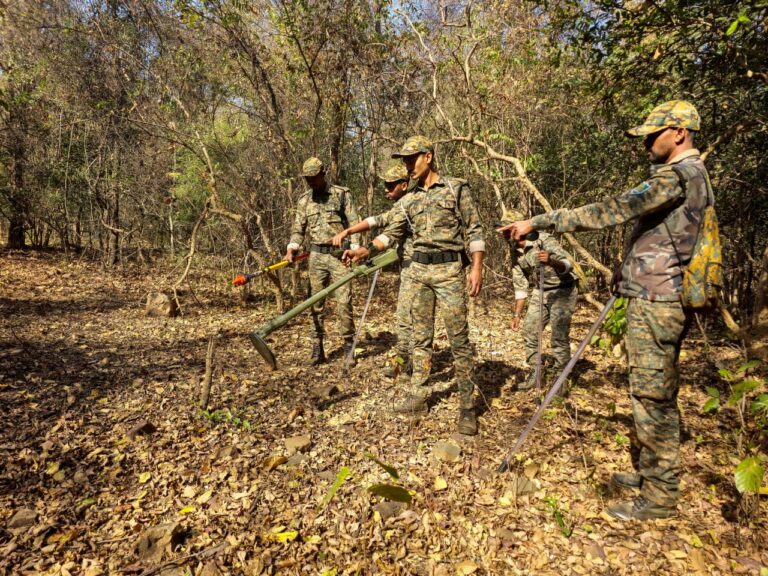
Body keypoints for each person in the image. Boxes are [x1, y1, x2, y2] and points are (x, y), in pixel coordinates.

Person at [501, 100, 709, 520]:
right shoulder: (689, 177)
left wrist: (539, 222)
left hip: (658, 301)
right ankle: (654, 473)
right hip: (652, 294)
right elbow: (660, 238)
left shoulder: (677, 176)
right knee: (654, 390)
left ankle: (660, 496)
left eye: (654, 134)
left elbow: (612, 210)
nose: (647, 143)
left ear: (680, 133)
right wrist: (626, 270)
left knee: (652, 395)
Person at [344, 136, 485, 436]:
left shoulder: (455, 188)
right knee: (420, 338)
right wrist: (365, 250)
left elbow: (474, 229)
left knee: (459, 340)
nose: (407, 165)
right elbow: (390, 234)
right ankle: (419, 396)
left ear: (429, 157)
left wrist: (476, 267)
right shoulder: (408, 200)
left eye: (411, 159)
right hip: (418, 271)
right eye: (405, 160)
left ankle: (466, 407)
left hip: (449, 271)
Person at [330, 162, 415, 378]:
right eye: (385, 185)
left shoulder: (411, 204)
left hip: (419, 269)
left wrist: (363, 251)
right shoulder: (399, 206)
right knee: (404, 319)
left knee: (411, 320)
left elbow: (388, 236)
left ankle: (411, 368)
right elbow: (377, 220)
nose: (386, 189)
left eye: (390, 185)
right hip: (409, 269)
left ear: (404, 185)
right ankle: (405, 365)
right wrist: (349, 230)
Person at [284, 157, 361, 366]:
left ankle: (348, 348)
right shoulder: (304, 200)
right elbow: (298, 230)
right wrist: (292, 248)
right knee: (314, 304)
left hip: (339, 256)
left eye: (314, 178)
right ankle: (317, 348)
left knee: (344, 303)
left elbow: (355, 224)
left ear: (322, 173)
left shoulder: (341, 194)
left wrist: (354, 249)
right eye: (307, 179)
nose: (311, 182)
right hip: (316, 258)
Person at [500, 208, 578, 390]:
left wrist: (551, 261)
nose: (504, 234)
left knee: (559, 337)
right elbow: (520, 284)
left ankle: (560, 381)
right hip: (540, 291)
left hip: (563, 290)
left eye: (507, 230)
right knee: (530, 330)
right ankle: (537, 373)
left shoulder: (544, 240)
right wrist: (517, 315)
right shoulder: (514, 250)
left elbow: (567, 264)